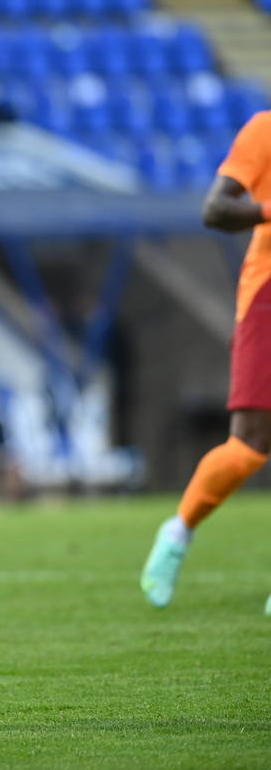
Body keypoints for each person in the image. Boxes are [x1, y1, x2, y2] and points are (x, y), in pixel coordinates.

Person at [140, 110, 271, 614]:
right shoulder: (264, 131)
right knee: (250, 446)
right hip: (267, 296)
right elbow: (216, 210)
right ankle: (177, 533)